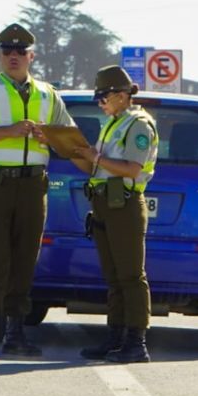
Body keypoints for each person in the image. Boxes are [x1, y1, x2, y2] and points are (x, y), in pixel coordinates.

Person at [0, 23, 74, 358]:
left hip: (33, 185)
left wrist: (47, 137)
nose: (13, 57)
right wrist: (8, 130)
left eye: (20, 52)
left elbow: (70, 141)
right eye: (7, 51)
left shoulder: (48, 94)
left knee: (25, 261)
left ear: (31, 56)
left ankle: (16, 334)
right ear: (0, 55)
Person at [70, 66, 159, 363]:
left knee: (131, 276)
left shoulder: (138, 126)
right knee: (114, 277)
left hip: (124, 205)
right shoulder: (115, 123)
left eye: (104, 97)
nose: (100, 103)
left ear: (122, 96)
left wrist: (97, 158)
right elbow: (101, 166)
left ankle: (137, 341)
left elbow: (132, 169)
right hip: (105, 204)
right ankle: (116, 336)